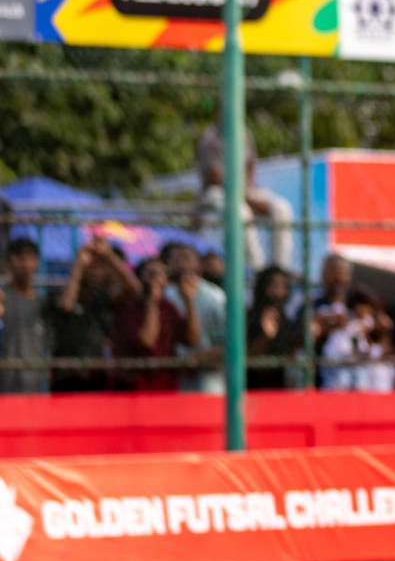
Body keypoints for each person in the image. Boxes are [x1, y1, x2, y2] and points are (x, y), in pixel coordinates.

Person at [195, 118, 295, 271]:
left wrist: (250, 193)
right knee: (241, 212)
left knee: (281, 208)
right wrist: (245, 197)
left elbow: (250, 167)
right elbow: (214, 177)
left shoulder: (244, 134)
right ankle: (256, 267)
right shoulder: (211, 139)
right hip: (216, 191)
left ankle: (279, 268)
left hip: (243, 189)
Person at [49, 237, 136, 393]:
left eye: (100, 267)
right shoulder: (62, 294)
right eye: (92, 267)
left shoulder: (101, 296)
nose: (96, 272)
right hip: (67, 376)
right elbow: (67, 306)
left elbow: (133, 290)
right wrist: (79, 265)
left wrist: (109, 254)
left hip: (97, 376)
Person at [112, 258, 200, 391]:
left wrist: (188, 300)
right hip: (133, 384)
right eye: (152, 274)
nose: (158, 279)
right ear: (140, 277)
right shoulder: (127, 305)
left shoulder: (168, 307)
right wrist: (152, 303)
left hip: (164, 383)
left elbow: (191, 339)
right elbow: (147, 342)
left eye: (163, 273)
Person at [160, 242, 227, 393]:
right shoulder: (164, 296)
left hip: (209, 375)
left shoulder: (215, 296)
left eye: (186, 257)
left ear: (199, 264)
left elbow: (224, 339)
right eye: (175, 258)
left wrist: (201, 357)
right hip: (172, 373)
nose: (181, 262)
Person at [0, 237, 49, 393]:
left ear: (37, 263)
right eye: (20, 258)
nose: (25, 264)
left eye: (30, 258)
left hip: (34, 384)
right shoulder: (2, 297)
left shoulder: (42, 302)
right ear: (9, 262)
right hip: (5, 384)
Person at [248, 266, 300, 390]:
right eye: (273, 285)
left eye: (282, 286)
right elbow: (249, 357)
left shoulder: (286, 320)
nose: (277, 291)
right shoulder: (249, 316)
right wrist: (265, 336)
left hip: (279, 387)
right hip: (252, 386)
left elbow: (289, 355)